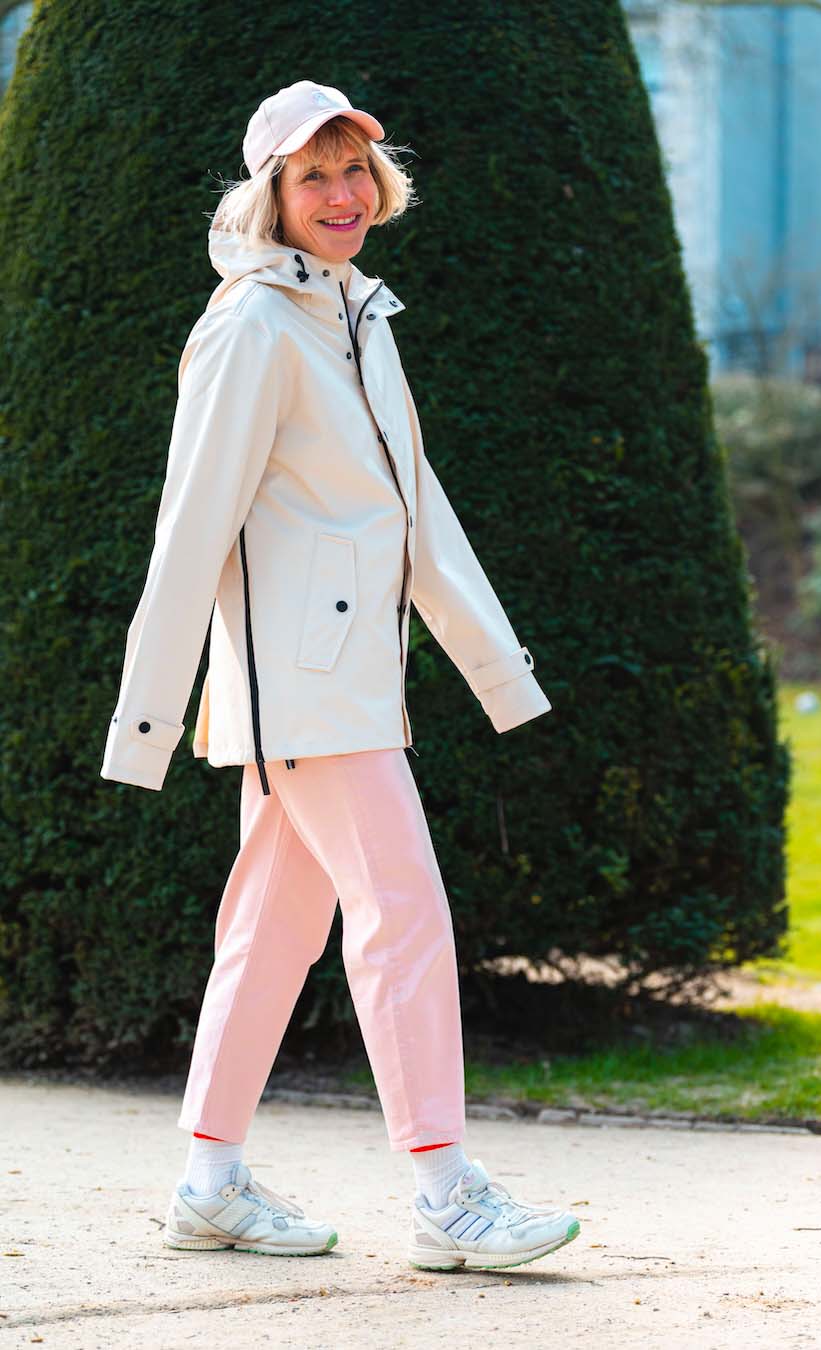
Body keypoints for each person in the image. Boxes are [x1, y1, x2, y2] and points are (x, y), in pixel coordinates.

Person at [100, 80, 580, 1270]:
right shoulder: (252, 326)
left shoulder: (359, 318)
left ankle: (208, 1181)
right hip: (305, 691)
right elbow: (190, 526)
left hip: (350, 678)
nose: (341, 193)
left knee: (272, 928)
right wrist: (145, 719)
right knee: (402, 913)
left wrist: (497, 669)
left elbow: (419, 513)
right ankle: (446, 1195)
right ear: (270, 195)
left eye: (354, 169)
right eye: (313, 175)